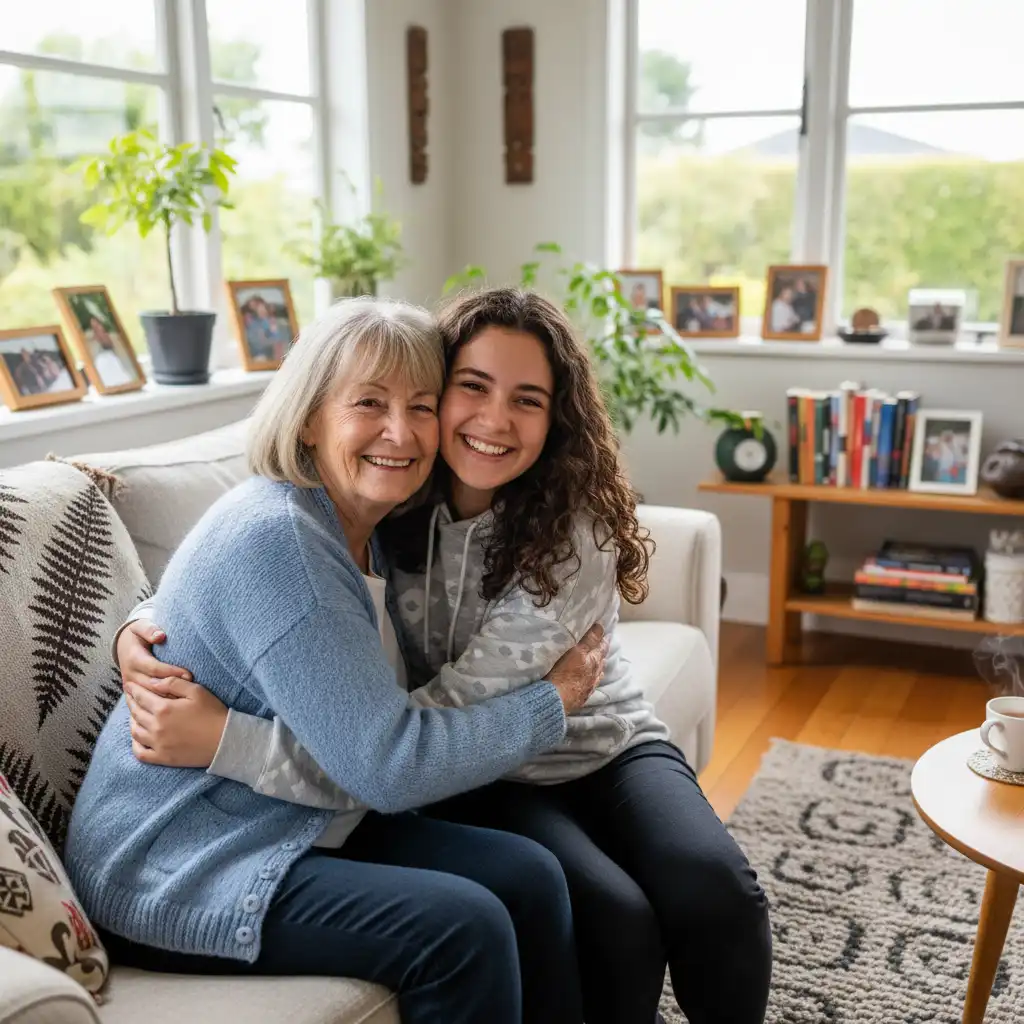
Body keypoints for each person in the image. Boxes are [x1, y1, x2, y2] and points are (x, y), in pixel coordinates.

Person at [118, 287, 773, 1024]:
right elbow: (247, 569)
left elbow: (393, 746)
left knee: (716, 889)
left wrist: (231, 739)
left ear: (557, 419)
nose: (493, 419)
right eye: (471, 387)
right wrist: (140, 624)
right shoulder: (390, 495)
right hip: (477, 768)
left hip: (591, 741)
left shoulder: (568, 533)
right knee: (615, 915)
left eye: (527, 399)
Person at [65, 297, 613, 1024]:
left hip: (295, 814)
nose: (400, 432)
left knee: (532, 877)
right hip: (179, 860)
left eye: (422, 406)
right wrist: (552, 703)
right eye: (369, 404)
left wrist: (137, 622)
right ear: (309, 419)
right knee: (466, 929)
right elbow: (390, 766)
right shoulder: (284, 541)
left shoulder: (368, 524)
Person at [86, 315, 133, 388]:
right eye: (94, 328)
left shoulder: (116, 339)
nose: (97, 329)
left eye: (98, 326)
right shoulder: (91, 346)